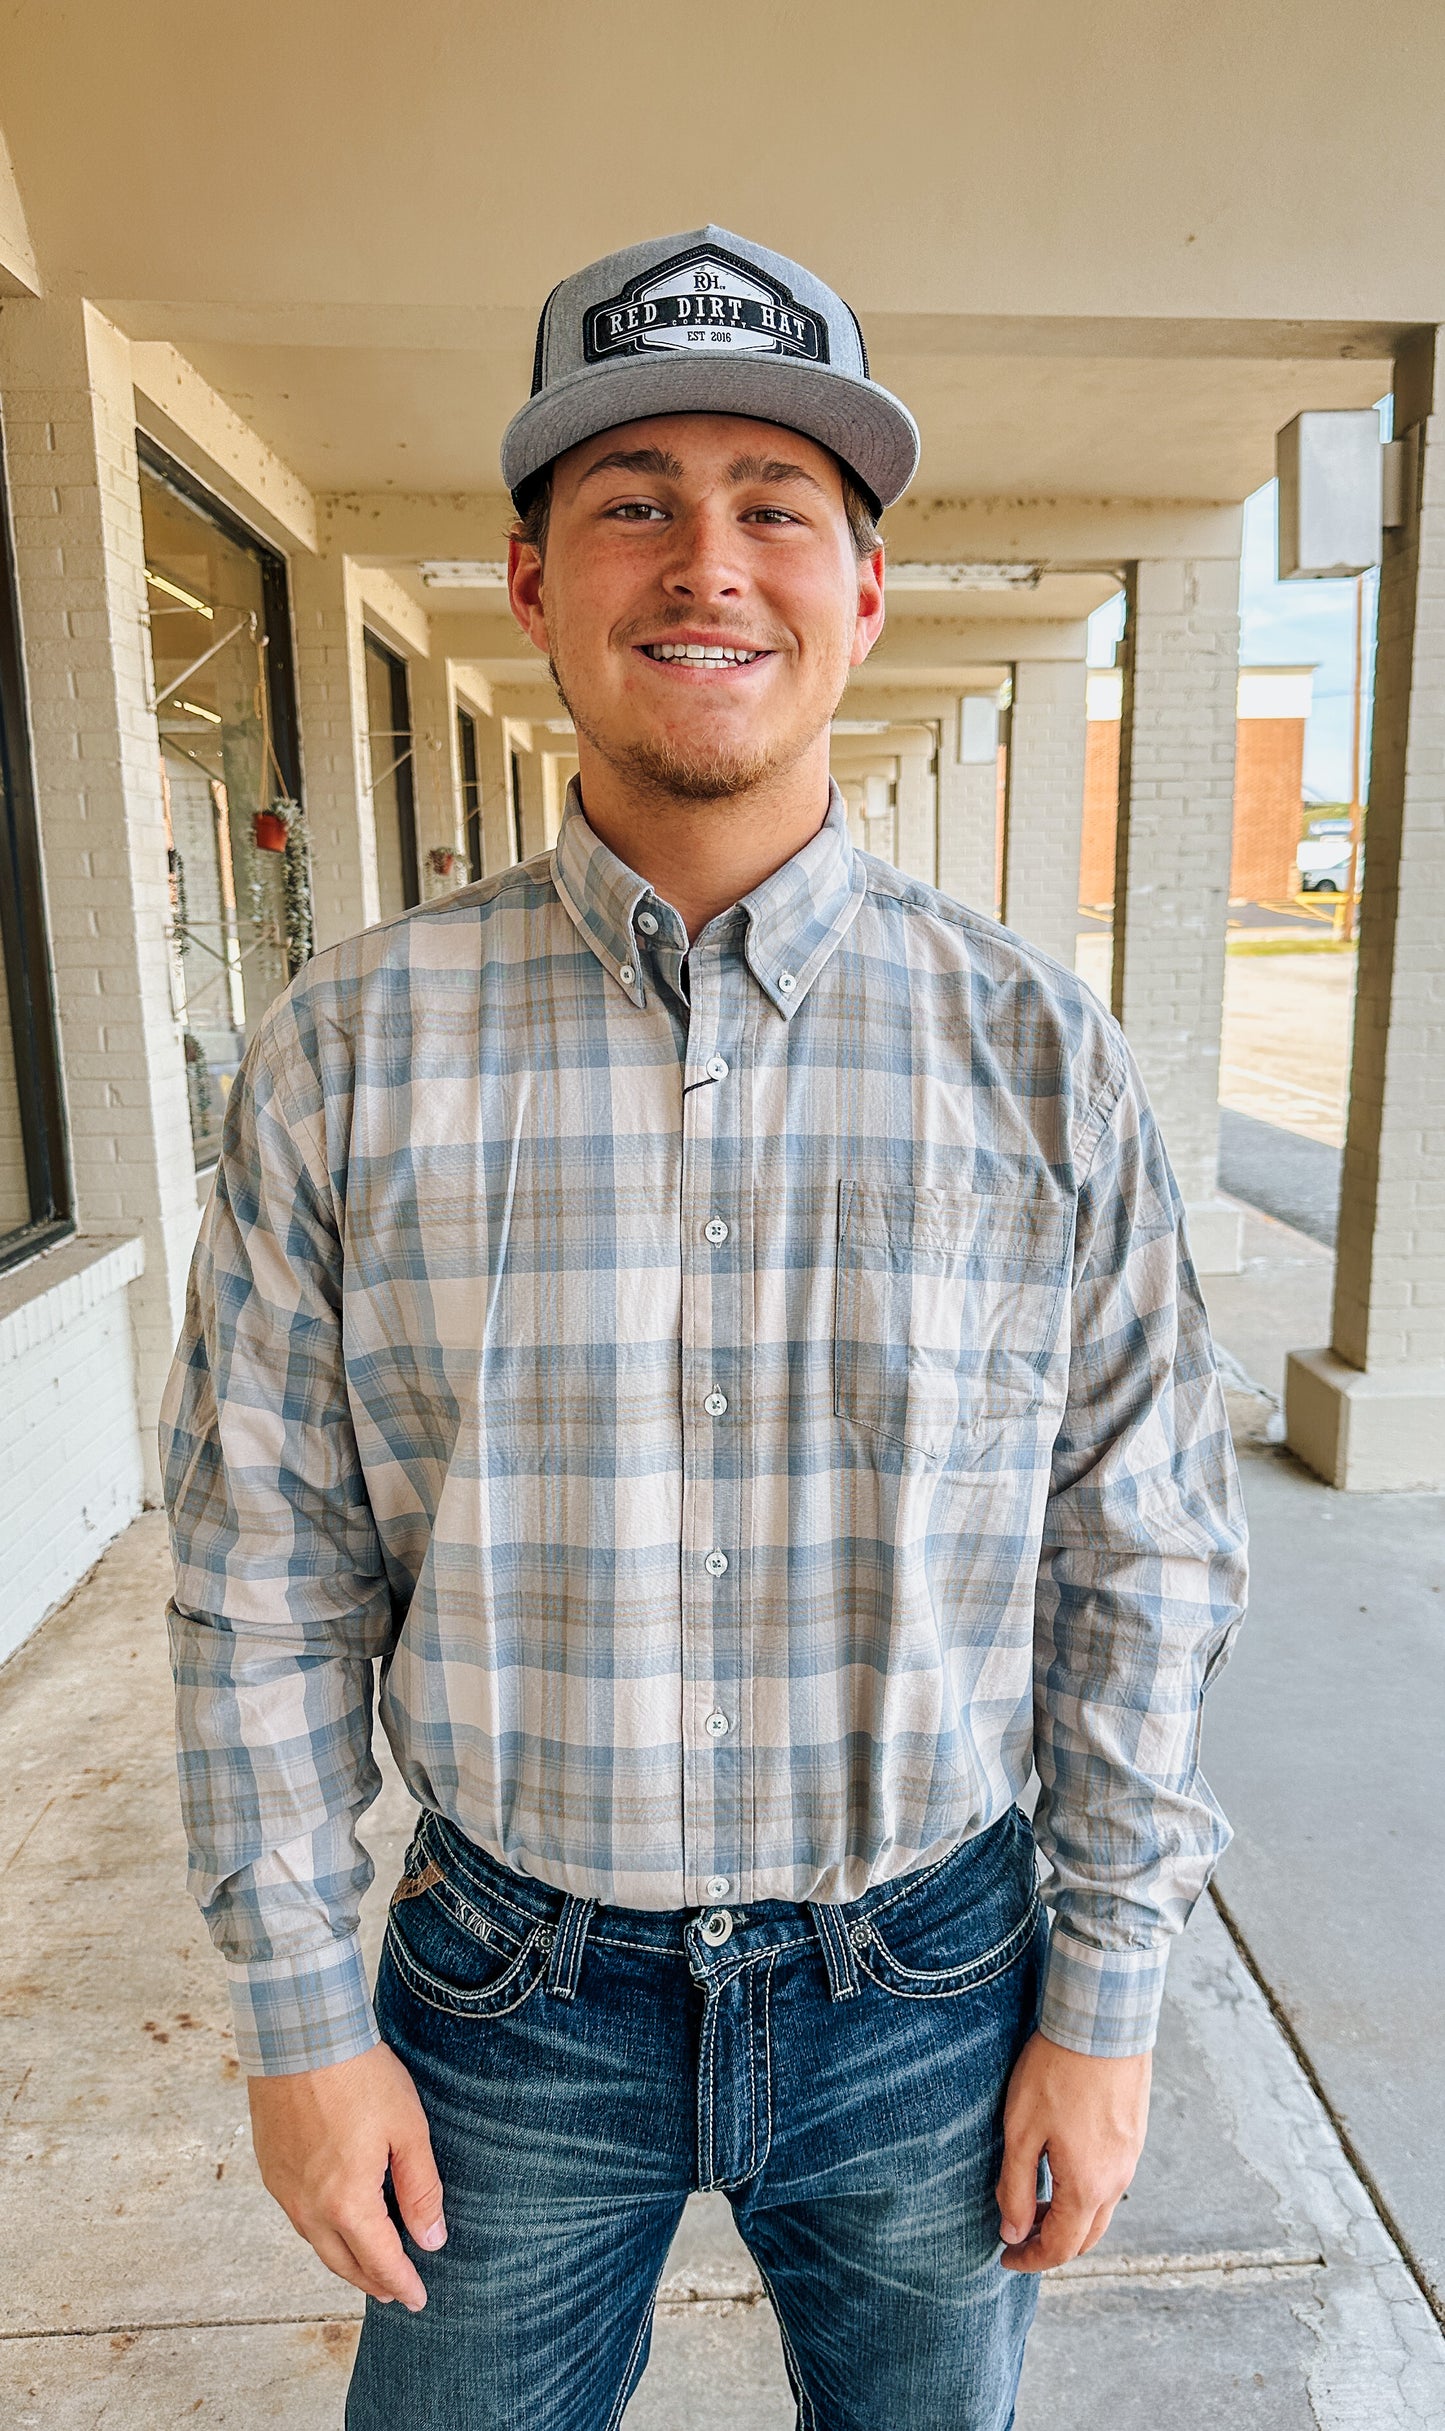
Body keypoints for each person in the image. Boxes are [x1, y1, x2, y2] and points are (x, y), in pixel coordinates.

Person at [162, 225, 1247, 2431]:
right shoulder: (350, 1050)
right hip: (502, 2000)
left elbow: (1137, 1554)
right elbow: (262, 1563)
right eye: (632, 497)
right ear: (530, 578)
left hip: (934, 1980)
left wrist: (1107, 1990)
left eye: (776, 504)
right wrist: (299, 2009)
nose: (705, 562)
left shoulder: (1036, 1055)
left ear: (865, 590)